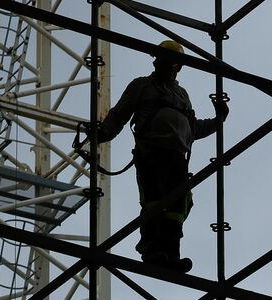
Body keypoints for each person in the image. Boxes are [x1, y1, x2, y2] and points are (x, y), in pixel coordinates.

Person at [96, 40, 229, 272]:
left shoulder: (182, 95)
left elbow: (192, 128)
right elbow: (120, 115)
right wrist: (103, 133)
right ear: (156, 60)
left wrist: (219, 120)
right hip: (151, 153)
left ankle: (171, 254)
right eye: (163, 60)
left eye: (171, 62)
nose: (167, 65)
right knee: (155, 201)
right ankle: (152, 251)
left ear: (178, 66)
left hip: (177, 156)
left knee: (178, 204)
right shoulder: (142, 86)